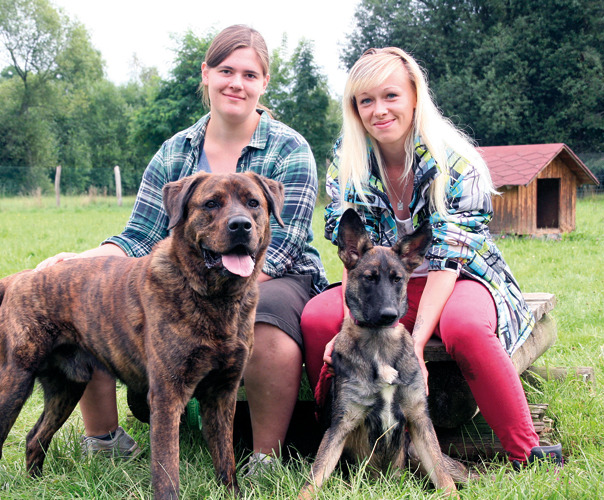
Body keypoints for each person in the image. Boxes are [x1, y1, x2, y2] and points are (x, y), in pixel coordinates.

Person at [36, 24, 328, 474]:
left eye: (250, 74)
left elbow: (283, 245)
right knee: (92, 295)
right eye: (226, 70)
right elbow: (139, 235)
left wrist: (194, 302)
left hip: (278, 274)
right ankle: (104, 438)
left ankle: (264, 456)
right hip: (193, 277)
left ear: (264, 83)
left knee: (262, 311)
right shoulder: (175, 151)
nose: (237, 82)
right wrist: (84, 261)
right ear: (206, 74)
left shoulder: (290, 149)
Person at [300, 47, 562, 468]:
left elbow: (445, 261)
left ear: (415, 97)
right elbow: (350, 254)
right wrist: (346, 323)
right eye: (366, 101)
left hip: (457, 277)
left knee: (466, 327)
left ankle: (525, 450)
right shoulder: (348, 159)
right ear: (355, 109)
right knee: (316, 318)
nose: (379, 110)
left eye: (390, 96)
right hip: (378, 281)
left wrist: (416, 342)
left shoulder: (457, 162)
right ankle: (333, 436)